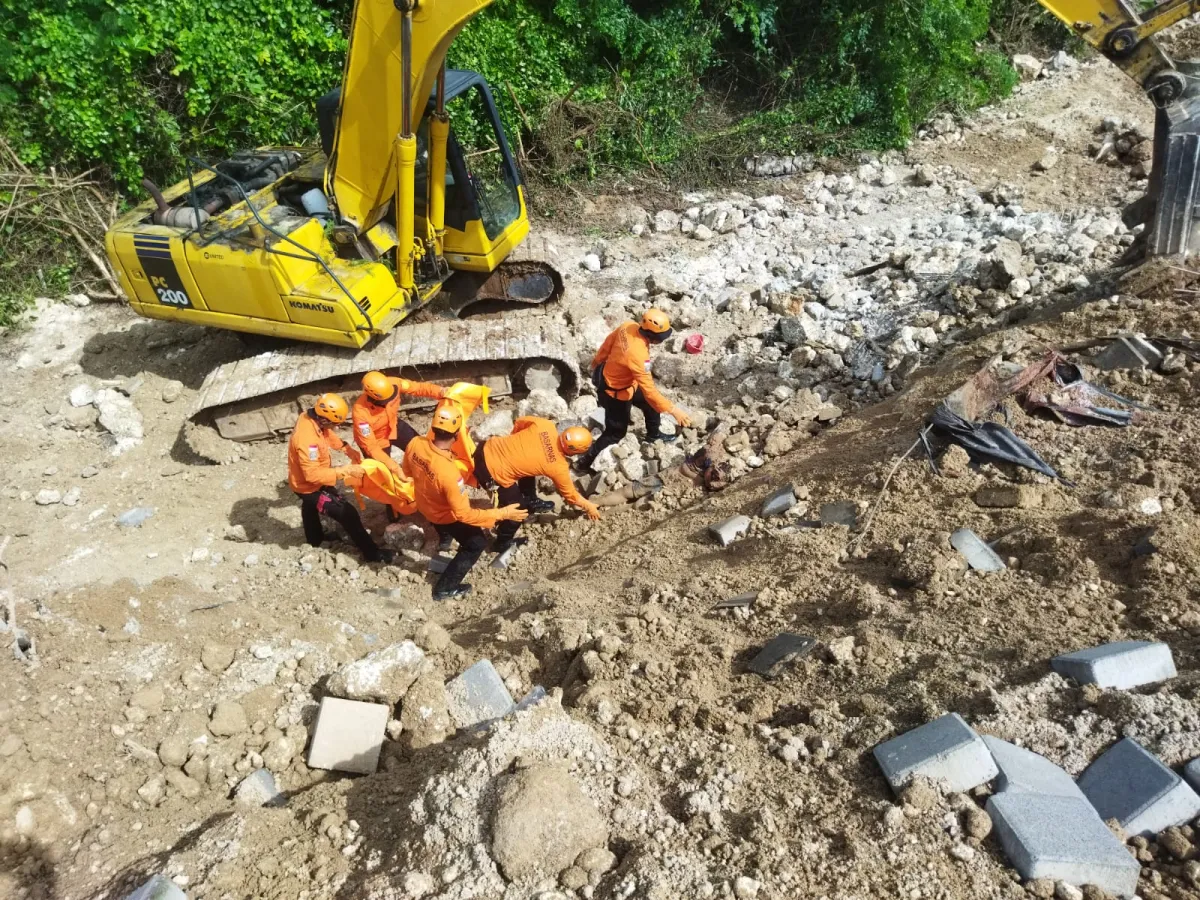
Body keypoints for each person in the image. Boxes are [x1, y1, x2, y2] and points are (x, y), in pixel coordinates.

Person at [403, 402, 528, 600]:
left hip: (424, 504)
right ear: (456, 435)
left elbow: (408, 472)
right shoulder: (450, 474)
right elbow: (463, 514)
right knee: (476, 543)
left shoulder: (415, 443)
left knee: (443, 524)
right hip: (443, 514)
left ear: (434, 428)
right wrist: (502, 513)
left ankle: (445, 539)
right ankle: (445, 588)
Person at [576, 309, 693, 470]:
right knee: (615, 433)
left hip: (623, 380)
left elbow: (607, 344)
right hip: (616, 393)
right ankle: (584, 461)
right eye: (660, 338)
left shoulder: (628, 326)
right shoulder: (638, 355)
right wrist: (674, 410)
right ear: (652, 337)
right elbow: (650, 389)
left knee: (650, 403)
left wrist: (597, 362)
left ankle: (653, 435)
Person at [287, 393, 393, 563]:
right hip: (309, 486)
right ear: (324, 419)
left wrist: (345, 448)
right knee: (347, 513)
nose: (335, 428)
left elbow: (326, 433)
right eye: (334, 424)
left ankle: (315, 539)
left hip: (301, 481)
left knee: (309, 508)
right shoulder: (307, 440)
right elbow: (312, 475)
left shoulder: (310, 417)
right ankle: (373, 554)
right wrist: (345, 470)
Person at [473, 417, 600, 554]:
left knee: (530, 469)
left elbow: (520, 421)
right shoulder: (557, 466)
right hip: (489, 473)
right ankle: (501, 543)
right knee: (519, 510)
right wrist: (589, 506)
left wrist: (515, 442)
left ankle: (531, 499)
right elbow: (570, 495)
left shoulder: (545, 425)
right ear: (576, 452)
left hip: (485, 448)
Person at [352, 371, 445, 474]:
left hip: (394, 425)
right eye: (385, 401)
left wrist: (440, 391)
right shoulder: (360, 413)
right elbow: (371, 446)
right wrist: (394, 466)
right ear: (373, 399)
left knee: (420, 449)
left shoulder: (395, 383)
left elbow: (418, 388)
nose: (389, 402)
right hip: (377, 441)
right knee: (384, 474)